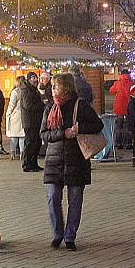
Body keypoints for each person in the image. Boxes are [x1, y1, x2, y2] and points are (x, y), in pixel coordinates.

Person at [41, 73, 104, 251]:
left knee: (75, 200)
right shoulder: (50, 108)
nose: (53, 89)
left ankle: (70, 236)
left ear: (67, 87)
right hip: (54, 160)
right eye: (52, 86)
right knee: (53, 197)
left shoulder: (81, 105)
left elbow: (98, 125)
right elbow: (44, 134)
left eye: (56, 86)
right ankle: (57, 233)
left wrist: (80, 128)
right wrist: (63, 133)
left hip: (76, 160)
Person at [21, 72, 45, 172]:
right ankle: (27, 164)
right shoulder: (27, 91)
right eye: (33, 78)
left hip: (36, 121)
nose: (35, 80)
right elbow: (28, 106)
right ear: (28, 79)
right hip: (30, 121)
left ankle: (34, 163)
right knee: (30, 143)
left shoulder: (34, 90)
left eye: (36, 77)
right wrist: (42, 106)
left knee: (36, 143)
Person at [109, 69, 134, 150]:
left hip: (119, 106)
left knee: (119, 125)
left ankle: (118, 143)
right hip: (129, 106)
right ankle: (129, 143)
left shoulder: (117, 82)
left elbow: (111, 91)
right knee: (129, 125)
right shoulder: (131, 83)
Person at [5, 76, 27, 160]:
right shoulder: (25, 91)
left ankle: (12, 153)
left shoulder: (15, 92)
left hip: (15, 116)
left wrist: (8, 114)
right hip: (24, 115)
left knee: (14, 136)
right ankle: (22, 153)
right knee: (22, 136)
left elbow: (11, 105)